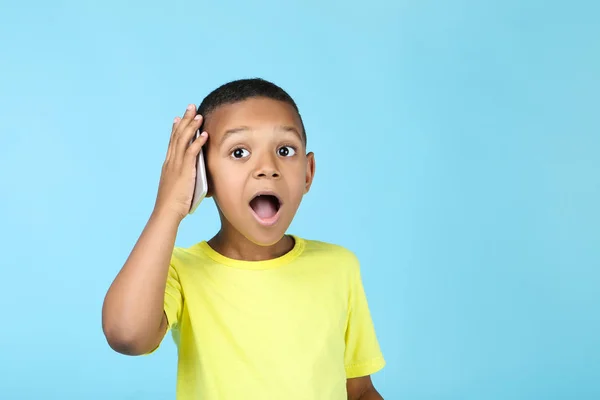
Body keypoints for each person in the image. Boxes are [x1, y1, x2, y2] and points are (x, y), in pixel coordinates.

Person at [102, 78, 386, 399]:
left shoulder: (339, 267)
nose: (267, 168)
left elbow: (360, 391)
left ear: (308, 172)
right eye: (239, 152)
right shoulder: (180, 272)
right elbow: (126, 335)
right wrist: (168, 207)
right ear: (202, 175)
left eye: (284, 150)